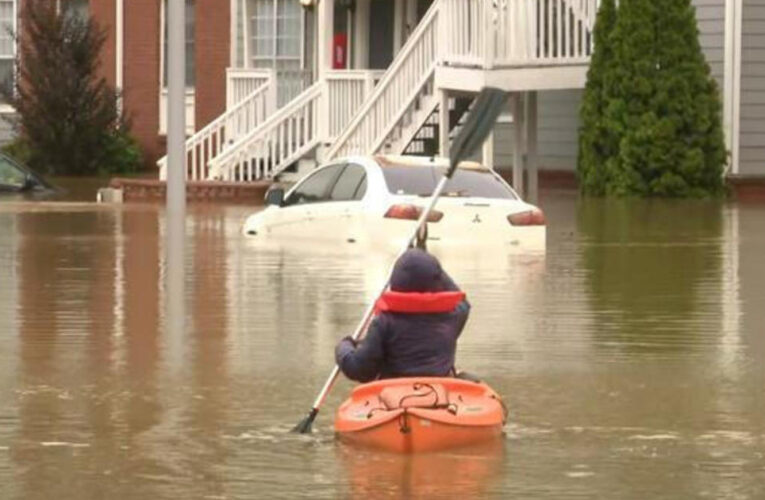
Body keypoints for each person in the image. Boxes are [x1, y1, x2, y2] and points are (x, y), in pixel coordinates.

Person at [335, 249, 470, 383]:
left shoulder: (384, 322)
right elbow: (461, 299)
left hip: (394, 394)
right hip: (439, 391)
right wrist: (433, 270)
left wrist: (344, 346)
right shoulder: (452, 316)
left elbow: (361, 370)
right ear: (437, 281)